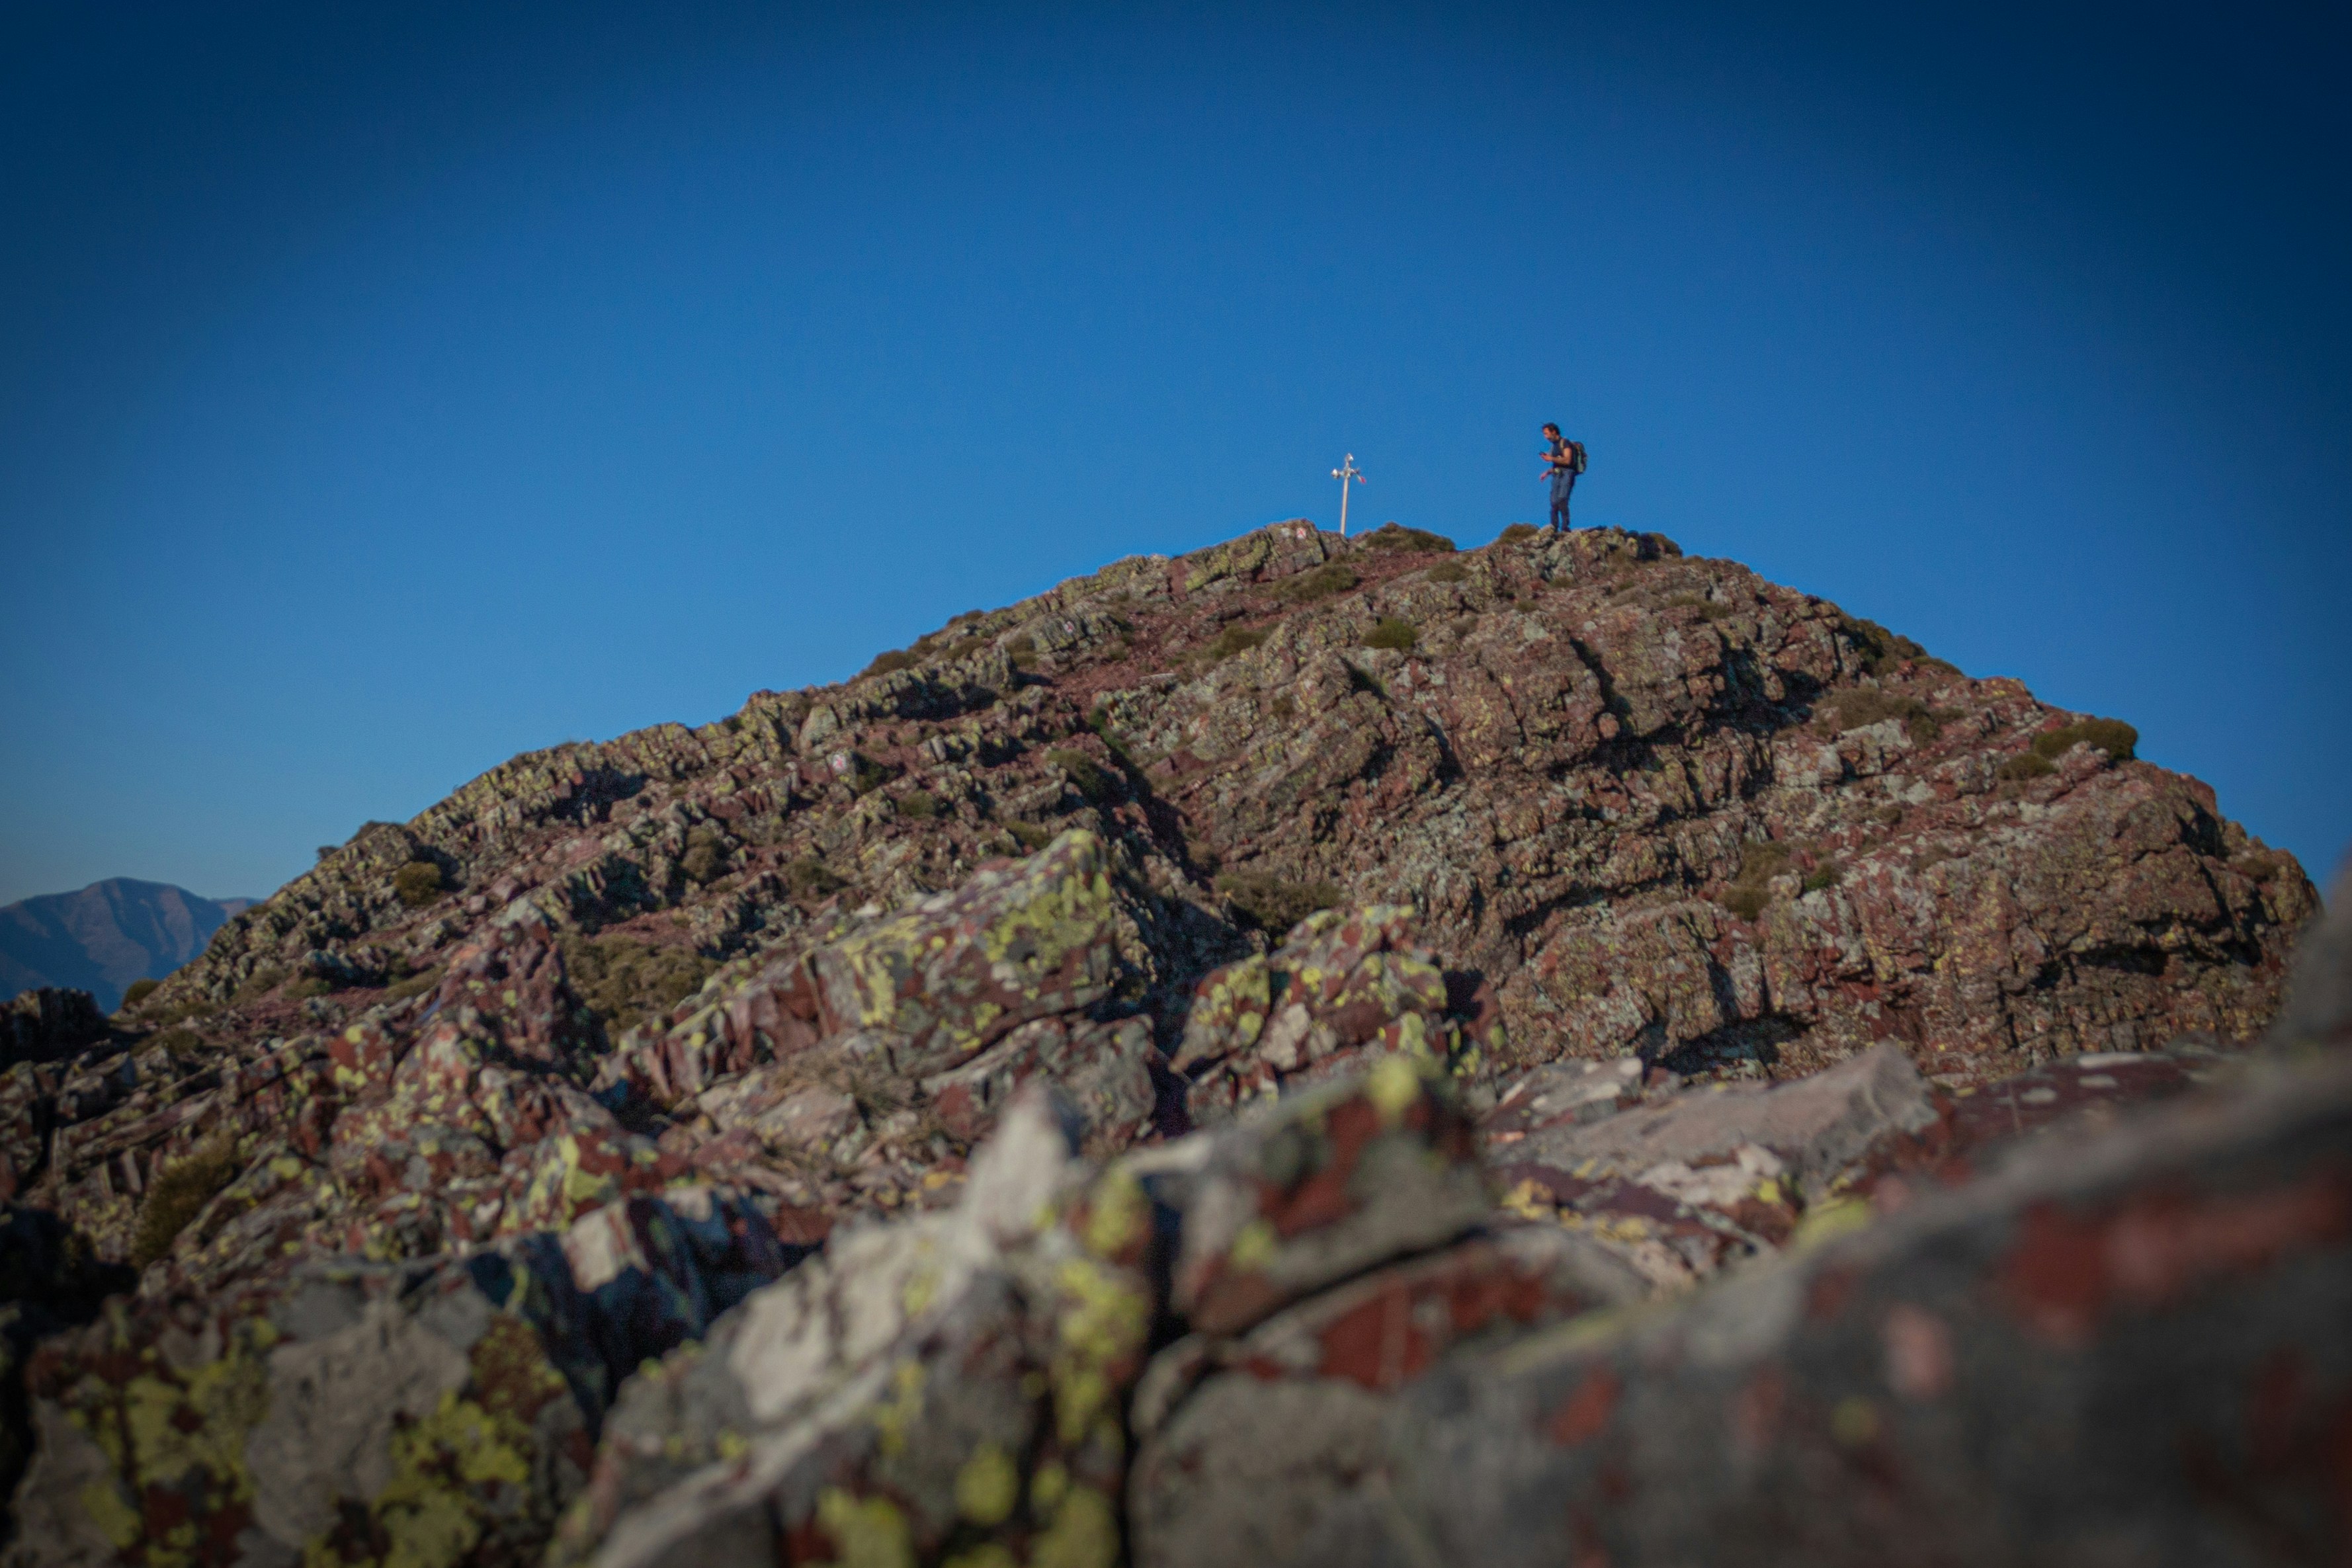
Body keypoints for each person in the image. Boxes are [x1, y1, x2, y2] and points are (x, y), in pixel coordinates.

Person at [1540, 423, 1582, 531]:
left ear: (1554, 432)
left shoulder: (1565, 443)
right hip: (1557, 474)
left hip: (1567, 473)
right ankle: (1553, 528)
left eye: (1547, 434)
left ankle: (1565, 526)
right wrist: (1547, 472)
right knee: (1554, 502)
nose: (1546, 437)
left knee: (1562, 499)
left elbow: (1567, 460)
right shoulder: (1553, 447)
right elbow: (1557, 464)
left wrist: (1551, 459)